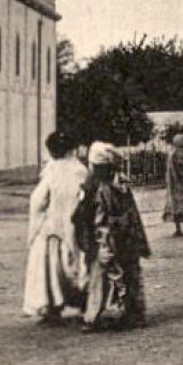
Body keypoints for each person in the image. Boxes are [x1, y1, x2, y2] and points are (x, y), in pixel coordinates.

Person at [80, 142, 152, 332]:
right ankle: (130, 313)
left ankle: (96, 316)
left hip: (109, 236)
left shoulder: (102, 187)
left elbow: (95, 215)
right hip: (123, 234)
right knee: (126, 273)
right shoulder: (120, 183)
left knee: (103, 274)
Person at [25, 132, 90, 323]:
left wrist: (37, 223)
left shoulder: (51, 169)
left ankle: (52, 306)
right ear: (72, 149)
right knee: (76, 264)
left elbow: (37, 200)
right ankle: (84, 304)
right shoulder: (80, 170)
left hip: (52, 226)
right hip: (75, 225)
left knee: (49, 268)